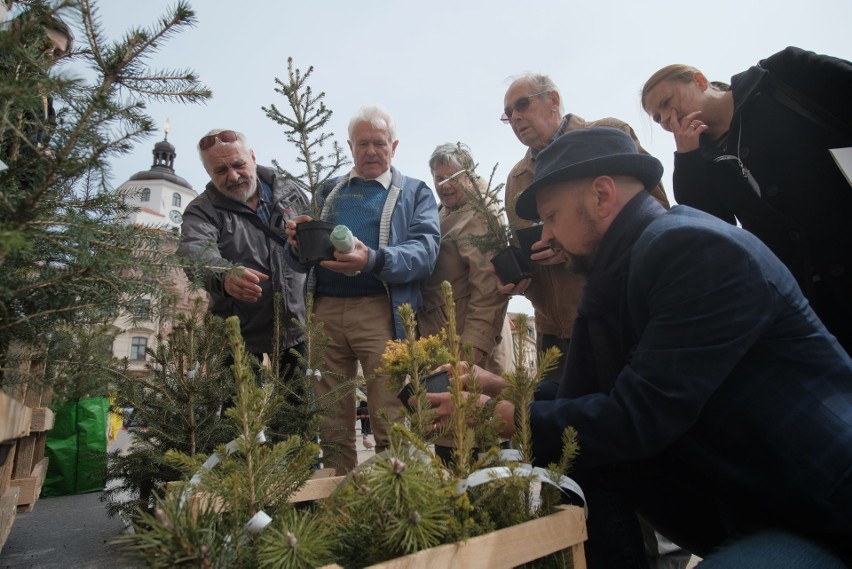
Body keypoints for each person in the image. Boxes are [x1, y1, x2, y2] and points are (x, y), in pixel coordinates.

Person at [428, 127, 852, 568]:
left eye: (552, 216)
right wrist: (502, 388)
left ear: (602, 195)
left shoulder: (689, 250)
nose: (546, 236)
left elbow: (639, 415)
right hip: (762, 500)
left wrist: (509, 418)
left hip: (820, 508)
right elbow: (601, 398)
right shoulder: (632, 261)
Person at [641, 47, 852, 354]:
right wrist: (687, 158)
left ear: (699, 80)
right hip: (817, 300)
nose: (667, 119)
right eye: (658, 118)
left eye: (667, 102)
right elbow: (710, 229)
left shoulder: (779, 75)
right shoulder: (701, 161)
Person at [284, 105, 440, 474]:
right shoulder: (327, 192)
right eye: (363, 143)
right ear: (350, 146)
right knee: (330, 421)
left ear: (394, 146)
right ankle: (341, 511)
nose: (372, 151)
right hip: (325, 311)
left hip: (380, 312)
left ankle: (396, 503)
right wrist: (297, 242)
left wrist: (373, 259)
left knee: (391, 415)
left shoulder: (415, 192)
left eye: (380, 143)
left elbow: (427, 251)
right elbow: (301, 260)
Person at [501, 73, 670, 398]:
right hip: (554, 329)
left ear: (552, 100)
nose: (516, 117)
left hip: (618, 315)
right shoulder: (516, 179)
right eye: (508, 114)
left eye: (522, 104)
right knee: (566, 432)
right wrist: (520, 274)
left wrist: (575, 247)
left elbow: (654, 212)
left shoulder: (610, 135)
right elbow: (522, 246)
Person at [178, 129, 309, 380]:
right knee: (240, 415)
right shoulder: (201, 210)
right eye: (221, 170)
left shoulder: (290, 191)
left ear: (252, 157)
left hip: (297, 329)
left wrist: (312, 235)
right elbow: (193, 251)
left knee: (299, 415)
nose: (234, 176)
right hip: (237, 337)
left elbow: (317, 235)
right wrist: (225, 275)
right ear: (209, 173)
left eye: (238, 165)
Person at [418, 143, 513, 374]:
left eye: (453, 177)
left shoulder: (479, 213)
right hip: (447, 340)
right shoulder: (444, 211)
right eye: (439, 178)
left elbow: (489, 286)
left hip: (470, 350)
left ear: (469, 175)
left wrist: (474, 346)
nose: (445, 185)